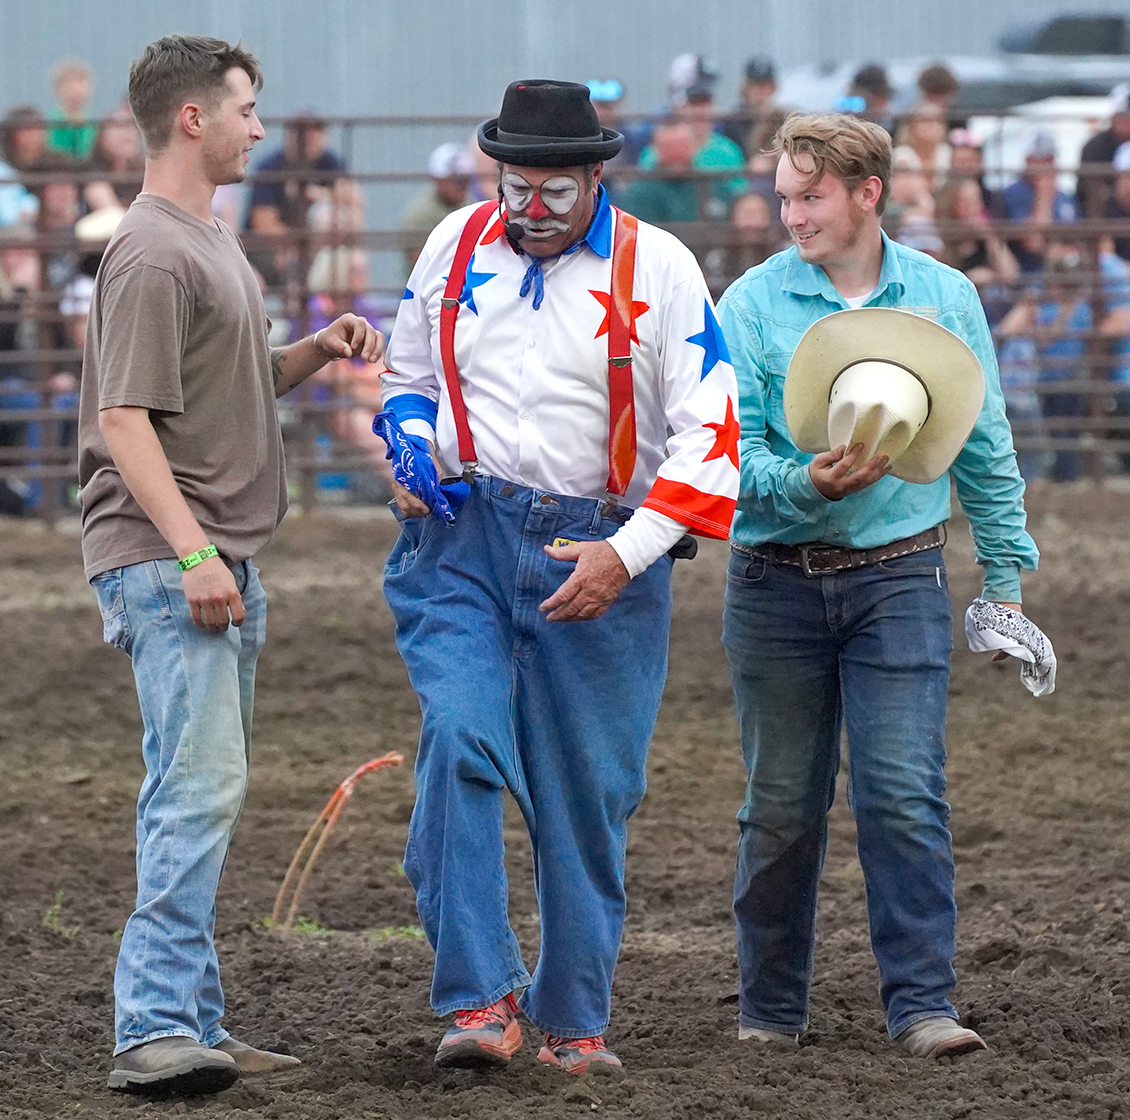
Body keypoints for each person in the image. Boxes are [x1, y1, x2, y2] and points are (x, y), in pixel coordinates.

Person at [380, 79, 739, 1076]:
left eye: (552, 188)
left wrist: (624, 555)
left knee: (586, 798)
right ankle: (481, 999)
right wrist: (407, 435)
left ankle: (574, 1021)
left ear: (594, 178)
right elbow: (407, 375)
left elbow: (709, 436)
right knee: (456, 739)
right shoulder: (453, 245)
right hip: (460, 537)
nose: (529, 206)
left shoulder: (658, 269)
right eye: (515, 183)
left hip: (600, 542)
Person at [77, 34, 383, 1096]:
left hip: (206, 558)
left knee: (200, 787)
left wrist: (311, 352)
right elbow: (123, 417)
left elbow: (220, 381)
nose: (260, 126)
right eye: (247, 108)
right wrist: (196, 550)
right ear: (193, 119)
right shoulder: (156, 250)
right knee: (196, 789)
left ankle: (191, 1016)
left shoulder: (202, 240)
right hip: (177, 562)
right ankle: (153, 1023)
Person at [716, 112, 1039, 1060]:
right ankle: (771, 1008)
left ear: (867, 193)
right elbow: (730, 451)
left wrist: (1006, 577)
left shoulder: (944, 298)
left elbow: (983, 447)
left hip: (899, 572)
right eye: (784, 197)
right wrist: (799, 481)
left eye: (810, 197)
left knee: (902, 792)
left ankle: (924, 1005)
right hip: (774, 577)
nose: (793, 216)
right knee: (780, 800)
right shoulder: (748, 305)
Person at [245, 109, 347, 286]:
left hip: (317, 244)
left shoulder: (329, 162)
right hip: (272, 248)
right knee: (292, 262)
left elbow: (353, 200)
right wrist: (299, 244)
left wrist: (320, 195)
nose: (310, 138)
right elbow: (264, 224)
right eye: (303, 133)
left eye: (316, 132)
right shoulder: (270, 167)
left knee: (332, 219)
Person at [997, 130, 1077, 274]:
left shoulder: (1065, 195)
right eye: (1039, 160)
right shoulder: (1013, 193)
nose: (1045, 166)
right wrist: (1044, 196)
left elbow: (1078, 237)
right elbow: (1033, 243)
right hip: (1031, 272)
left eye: (1049, 159)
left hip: (1068, 271)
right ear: (1027, 161)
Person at [401, 141, 475, 274]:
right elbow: (421, 261)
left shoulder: (469, 205)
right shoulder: (422, 214)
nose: (463, 187)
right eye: (457, 181)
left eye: (465, 180)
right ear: (438, 180)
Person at [617, 121, 700, 223]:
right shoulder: (640, 191)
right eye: (669, 147)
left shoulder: (712, 184)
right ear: (656, 149)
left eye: (682, 145)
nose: (677, 153)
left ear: (695, 147)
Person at [721, 57, 789, 161]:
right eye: (755, 84)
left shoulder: (783, 118)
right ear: (745, 87)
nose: (760, 91)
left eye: (765, 85)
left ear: (773, 87)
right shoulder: (732, 121)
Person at [1077, 89, 1130, 219]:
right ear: (1113, 117)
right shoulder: (1095, 147)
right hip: (1107, 215)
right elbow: (1088, 192)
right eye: (1122, 116)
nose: (1126, 121)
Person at [46, 58, 97, 162]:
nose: (78, 88)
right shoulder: (52, 121)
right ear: (58, 89)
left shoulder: (95, 121)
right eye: (71, 83)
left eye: (82, 82)